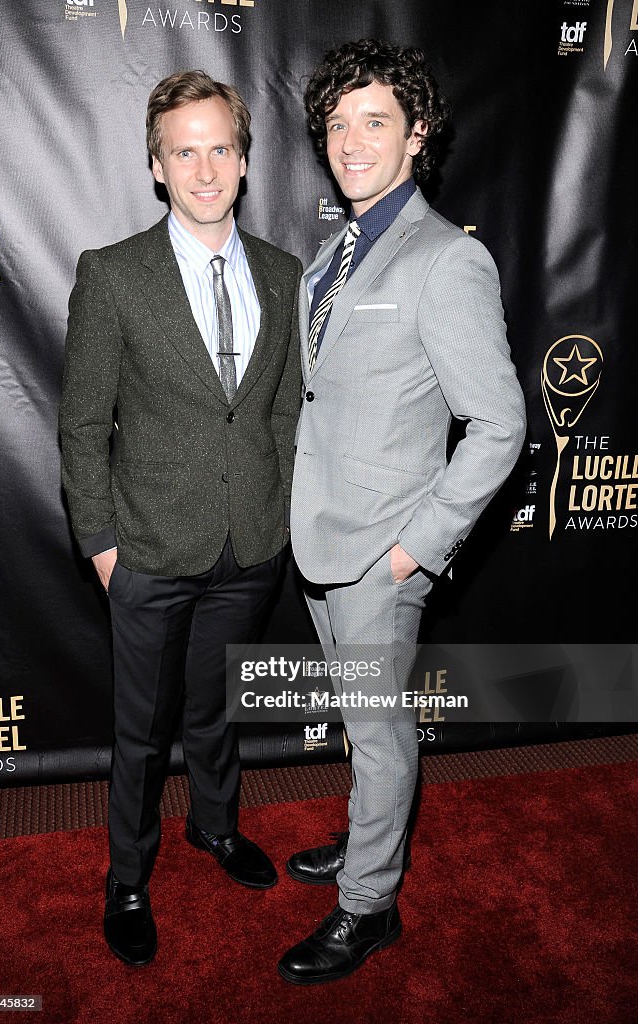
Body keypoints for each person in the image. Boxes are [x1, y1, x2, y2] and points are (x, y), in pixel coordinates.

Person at [279, 38, 527, 984]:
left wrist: (411, 550)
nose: (350, 140)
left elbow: (498, 425)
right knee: (358, 717)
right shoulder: (332, 252)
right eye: (337, 124)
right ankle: (365, 840)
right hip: (320, 535)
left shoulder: (443, 259)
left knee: (379, 730)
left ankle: (367, 906)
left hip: (381, 551)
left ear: (417, 135)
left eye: (374, 121)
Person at [59, 70, 302, 967]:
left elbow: (281, 410)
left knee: (216, 710)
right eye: (183, 150)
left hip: (250, 545)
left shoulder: (283, 272)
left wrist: (274, 516)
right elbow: (83, 425)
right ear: (156, 167)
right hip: (149, 549)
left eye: (220, 147)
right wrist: (103, 546)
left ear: (244, 160)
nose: (204, 167)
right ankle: (126, 878)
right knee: (139, 730)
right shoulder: (113, 275)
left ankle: (216, 827)